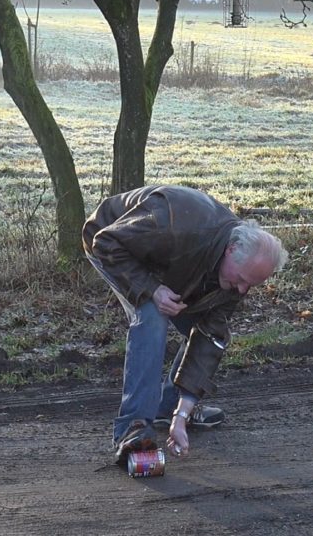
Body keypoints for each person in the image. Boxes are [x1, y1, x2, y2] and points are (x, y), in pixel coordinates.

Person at [82, 185, 288, 466]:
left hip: (178, 264)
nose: (241, 291)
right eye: (241, 280)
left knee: (202, 323)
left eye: (250, 285)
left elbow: (210, 335)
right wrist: (152, 289)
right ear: (231, 250)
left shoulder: (241, 274)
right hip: (113, 241)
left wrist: (182, 413)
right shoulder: (171, 225)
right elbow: (106, 242)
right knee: (153, 315)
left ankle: (168, 408)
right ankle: (133, 427)